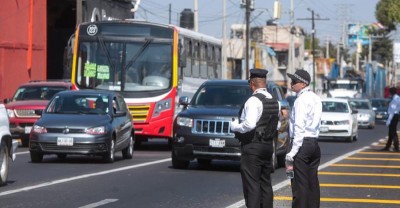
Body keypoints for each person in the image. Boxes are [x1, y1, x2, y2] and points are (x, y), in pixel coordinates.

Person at [230, 68, 280, 208]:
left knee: (252, 185)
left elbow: (250, 124)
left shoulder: (253, 101)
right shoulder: (275, 101)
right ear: (265, 83)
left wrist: (235, 127)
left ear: (251, 84)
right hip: (268, 146)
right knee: (265, 183)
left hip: (253, 146)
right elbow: (277, 124)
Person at [286, 69, 322, 208]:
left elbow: (299, 127)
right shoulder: (316, 98)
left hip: (301, 144)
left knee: (299, 185)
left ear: (302, 84)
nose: (291, 84)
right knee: (312, 183)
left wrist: (292, 152)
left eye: (294, 81)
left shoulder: (300, 100)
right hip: (313, 142)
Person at [382, 87, 400, 152]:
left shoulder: (394, 100)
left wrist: (389, 120)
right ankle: (388, 146)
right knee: (391, 132)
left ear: (391, 92)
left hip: (393, 116)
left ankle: (396, 147)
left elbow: (392, 111)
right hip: (396, 115)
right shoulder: (398, 98)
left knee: (393, 132)